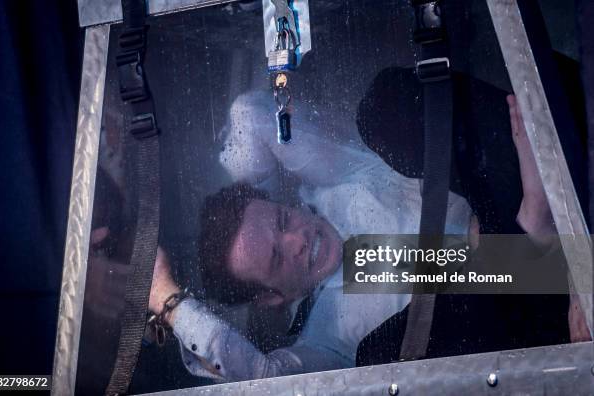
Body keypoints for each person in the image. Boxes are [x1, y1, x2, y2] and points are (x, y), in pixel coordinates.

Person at [146, 84, 571, 382]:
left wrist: (240, 190)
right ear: (273, 297)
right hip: (530, 306)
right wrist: (169, 301)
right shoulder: (326, 339)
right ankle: (534, 237)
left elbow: (251, 114)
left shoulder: (333, 179)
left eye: (281, 220)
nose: (297, 239)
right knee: (380, 345)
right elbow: (257, 377)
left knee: (382, 107)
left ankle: (539, 211)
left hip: (510, 184)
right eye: (277, 257)